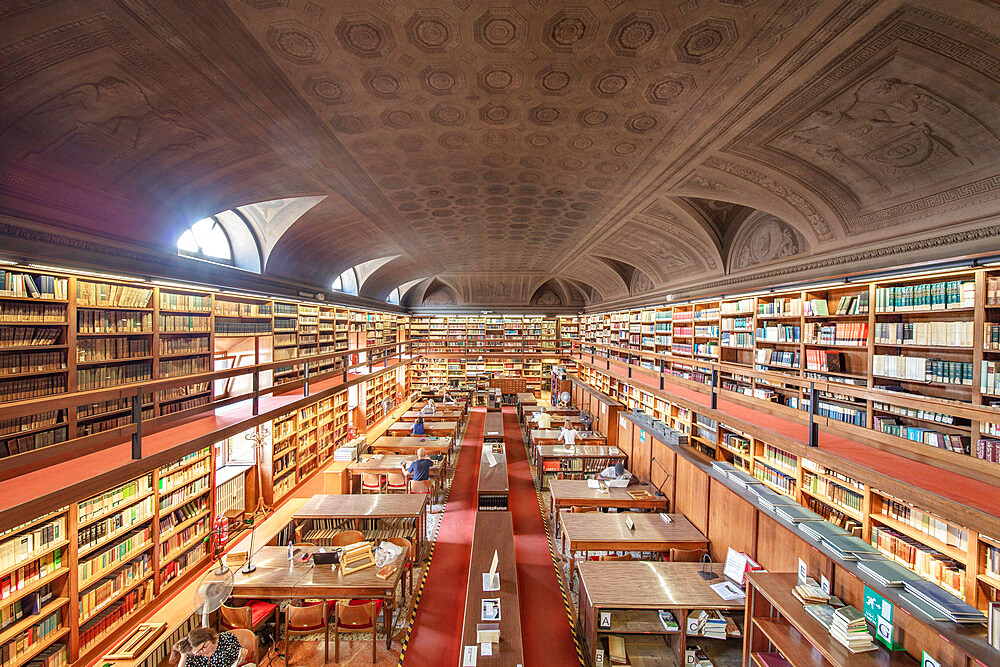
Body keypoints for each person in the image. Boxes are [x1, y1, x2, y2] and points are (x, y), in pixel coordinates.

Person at [170, 628, 243, 667]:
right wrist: (183, 656)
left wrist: (240, 660)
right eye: (198, 652)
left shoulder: (227, 640)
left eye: (204, 647)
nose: (202, 652)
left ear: (209, 638)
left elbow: (239, 661)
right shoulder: (193, 653)